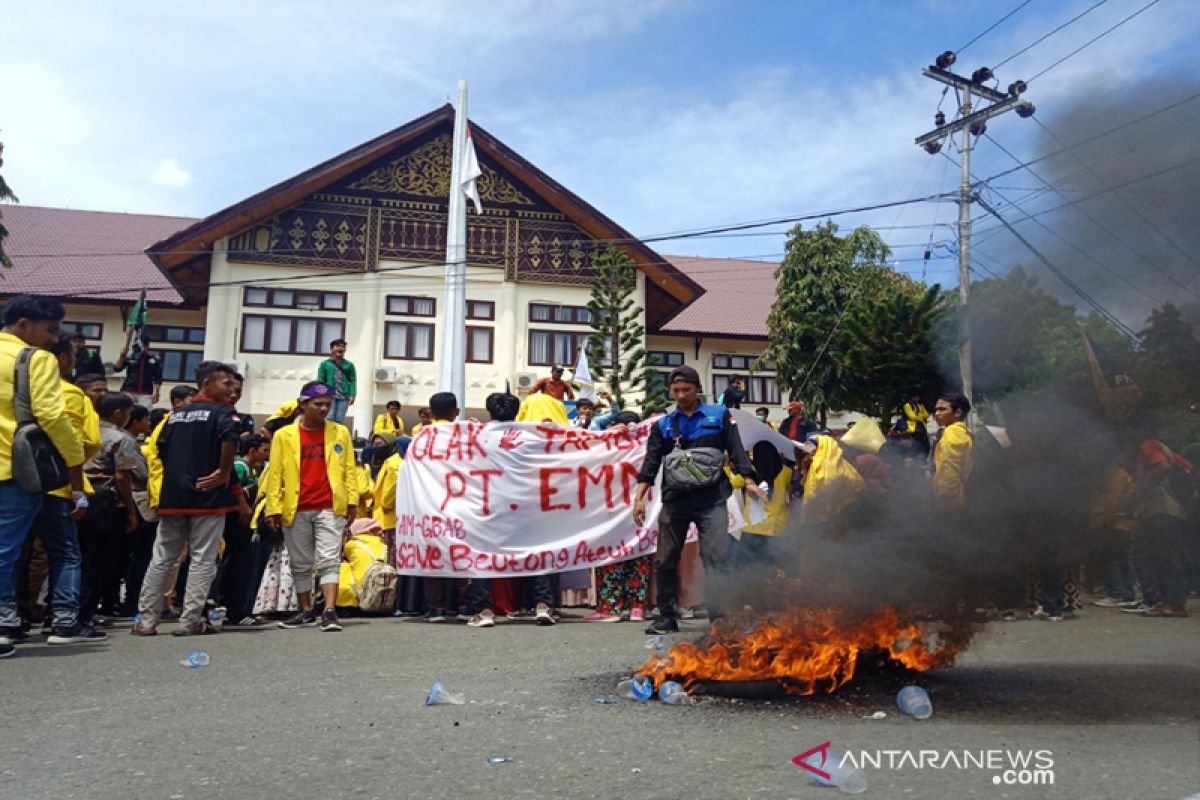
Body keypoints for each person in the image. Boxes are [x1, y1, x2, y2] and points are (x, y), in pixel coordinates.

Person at [633, 366, 765, 634]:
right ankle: (666, 617)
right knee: (665, 558)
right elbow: (651, 461)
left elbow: (736, 450)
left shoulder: (719, 416)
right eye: (676, 390)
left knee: (715, 557)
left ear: (698, 389)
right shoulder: (664, 424)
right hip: (675, 500)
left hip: (712, 499)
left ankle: (720, 617)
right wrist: (639, 498)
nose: (681, 395)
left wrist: (749, 481)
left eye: (687, 390)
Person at [0, 296, 86, 658]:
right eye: (50, 330)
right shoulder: (36, 359)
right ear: (24, 324)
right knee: (4, 550)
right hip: (14, 468)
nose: (53, 339)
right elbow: (51, 415)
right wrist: (74, 459)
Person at [132, 361, 241, 637]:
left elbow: (160, 449)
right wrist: (224, 471)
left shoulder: (176, 415)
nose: (232, 390)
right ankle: (190, 620)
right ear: (207, 384)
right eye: (226, 384)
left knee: (162, 558)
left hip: (172, 495)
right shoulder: (224, 413)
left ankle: (146, 620)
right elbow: (230, 438)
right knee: (203, 558)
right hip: (208, 495)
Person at [18, 332, 105, 644]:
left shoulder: (21, 387)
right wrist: (78, 487)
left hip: (18, 480)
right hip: (58, 485)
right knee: (65, 554)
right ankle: (64, 622)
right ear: (64, 358)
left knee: (17, 554)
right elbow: (88, 442)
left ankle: (14, 618)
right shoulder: (72, 394)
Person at [263, 381, 358, 632]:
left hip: (330, 506)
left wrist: (352, 501)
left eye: (327, 405)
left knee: (329, 559)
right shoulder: (284, 435)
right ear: (303, 404)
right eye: (318, 404)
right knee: (300, 562)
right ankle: (305, 611)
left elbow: (350, 469)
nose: (324, 409)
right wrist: (273, 506)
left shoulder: (340, 432)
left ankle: (329, 611)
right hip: (296, 506)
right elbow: (275, 473)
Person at [78, 392, 143, 628]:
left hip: (77, 494)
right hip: (105, 501)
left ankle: (59, 611)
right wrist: (131, 511)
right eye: (127, 413)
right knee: (99, 561)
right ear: (118, 413)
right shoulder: (120, 437)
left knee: (74, 557)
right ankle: (83, 615)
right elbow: (121, 475)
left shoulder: (85, 429)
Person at [1130, 438, 1191, 617]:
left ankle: (1174, 603)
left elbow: (1163, 467)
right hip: (1166, 511)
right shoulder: (1166, 448)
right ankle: (1165, 600)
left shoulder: (1148, 445)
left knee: (1166, 557)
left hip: (1160, 511)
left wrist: (1142, 488)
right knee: (1159, 556)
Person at [221, 434, 270, 627]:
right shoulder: (240, 467)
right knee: (236, 564)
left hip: (241, 522)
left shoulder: (252, 469)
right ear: (252, 450)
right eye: (264, 450)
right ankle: (234, 610)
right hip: (236, 522)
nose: (266, 454)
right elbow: (232, 491)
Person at [932, 391, 973, 510]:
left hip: (952, 500)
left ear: (957, 412)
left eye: (942, 409)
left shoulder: (953, 431)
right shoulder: (962, 431)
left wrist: (946, 497)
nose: (936, 413)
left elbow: (950, 464)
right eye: (936, 410)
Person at [114, 336, 162, 408]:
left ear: (147, 346)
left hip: (146, 392)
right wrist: (121, 356)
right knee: (126, 412)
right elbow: (117, 369)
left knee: (145, 413)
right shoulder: (130, 357)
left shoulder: (154, 359)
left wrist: (157, 392)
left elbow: (158, 378)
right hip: (129, 390)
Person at [316, 339, 356, 425]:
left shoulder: (349, 365)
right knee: (329, 417)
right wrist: (321, 395)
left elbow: (352, 380)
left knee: (339, 419)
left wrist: (352, 394)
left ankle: (337, 437)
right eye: (338, 346)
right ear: (331, 349)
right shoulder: (325, 364)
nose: (340, 348)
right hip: (329, 396)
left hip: (344, 396)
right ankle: (327, 437)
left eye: (343, 347)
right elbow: (320, 381)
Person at [903, 391, 931, 457]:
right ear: (912, 397)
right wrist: (921, 417)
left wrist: (919, 415)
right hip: (912, 429)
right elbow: (912, 416)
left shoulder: (920, 405)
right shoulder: (907, 405)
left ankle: (923, 458)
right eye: (916, 397)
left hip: (922, 428)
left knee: (926, 445)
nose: (918, 398)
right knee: (914, 445)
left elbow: (927, 415)